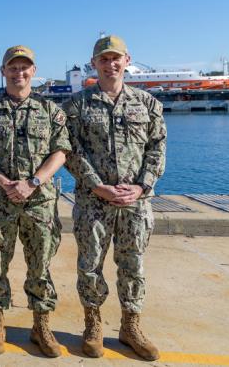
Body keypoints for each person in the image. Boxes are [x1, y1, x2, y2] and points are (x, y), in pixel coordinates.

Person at [63, 35, 166, 361]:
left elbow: (157, 149)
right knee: (90, 266)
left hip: (135, 204)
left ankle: (130, 326)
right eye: (103, 59)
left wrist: (141, 186)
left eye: (115, 58)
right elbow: (69, 151)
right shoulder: (77, 105)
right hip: (94, 202)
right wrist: (96, 185)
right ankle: (92, 325)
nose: (110, 64)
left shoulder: (147, 104)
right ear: (94, 63)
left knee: (132, 265)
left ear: (126, 60)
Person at [0, 46, 70, 357]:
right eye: (13, 68)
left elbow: (61, 151)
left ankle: (41, 325)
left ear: (34, 71)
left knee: (40, 265)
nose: (19, 73)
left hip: (39, 202)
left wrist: (33, 182)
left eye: (25, 67)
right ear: (3, 71)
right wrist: (3, 181)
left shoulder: (51, 110)